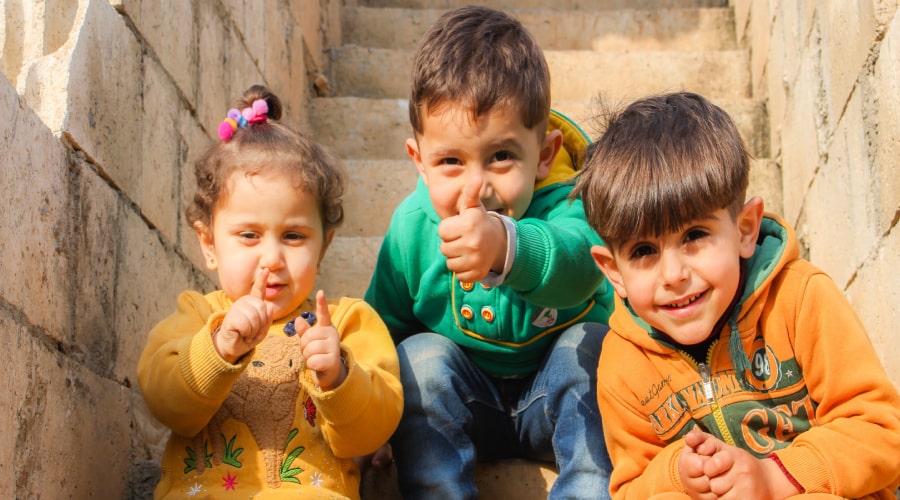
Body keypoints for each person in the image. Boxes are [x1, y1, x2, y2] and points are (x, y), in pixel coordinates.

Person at [573, 91, 900, 499]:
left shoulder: (800, 299)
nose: (673, 275)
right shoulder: (624, 362)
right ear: (613, 273)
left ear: (745, 230)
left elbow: (881, 432)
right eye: (643, 251)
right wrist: (677, 475)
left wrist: (773, 478)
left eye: (694, 236)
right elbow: (630, 488)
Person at [363, 6, 615, 499]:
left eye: (501, 156)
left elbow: (580, 265)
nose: (476, 187)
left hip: (554, 399)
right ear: (419, 161)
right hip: (463, 405)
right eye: (450, 161)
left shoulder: (569, 203)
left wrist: (509, 247)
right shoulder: (412, 228)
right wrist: (370, 420)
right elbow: (382, 329)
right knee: (418, 359)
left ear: (543, 155)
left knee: (591, 345)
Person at [138, 85, 403, 499]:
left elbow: (372, 431)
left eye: (293, 236)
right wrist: (219, 348)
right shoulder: (197, 316)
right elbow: (166, 404)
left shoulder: (347, 323)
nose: (272, 258)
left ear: (324, 247)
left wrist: (339, 376)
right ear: (209, 243)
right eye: (249, 235)